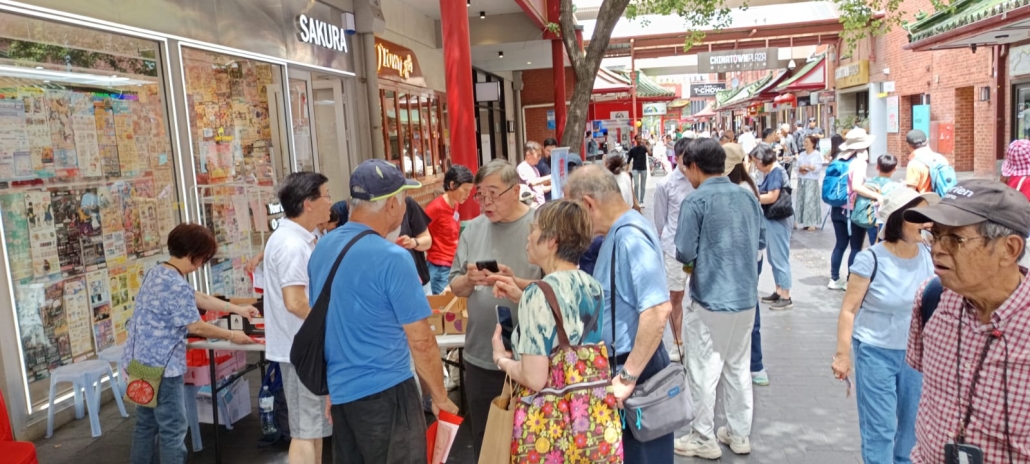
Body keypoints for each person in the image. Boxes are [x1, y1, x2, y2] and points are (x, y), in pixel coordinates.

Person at [309, 160, 457, 463]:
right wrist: (440, 397)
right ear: (391, 205)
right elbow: (421, 340)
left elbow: (321, 324)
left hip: (342, 394)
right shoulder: (393, 257)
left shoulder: (322, 248)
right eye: (403, 199)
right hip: (388, 392)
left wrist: (330, 388)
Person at [902, 179, 1030, 463]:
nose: (937, 249)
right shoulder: (932, 298)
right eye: (935, 235)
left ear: (1009, 249)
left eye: (954, 239)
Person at [565, 164, 674, 463]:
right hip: (626, 365)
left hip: (634, 369)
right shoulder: (619, 233)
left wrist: (627, 377)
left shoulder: (629, 238)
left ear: (588, 204)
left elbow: (658, 309)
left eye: (574, 211)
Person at [126, 224, 258, 464]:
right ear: (194, 254)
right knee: (173, 429)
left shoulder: (158, 272)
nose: (202, 264)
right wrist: (232, 335)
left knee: (145, 425)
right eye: (204, 257)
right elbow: (197, 327)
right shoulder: (176, 284)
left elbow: (198, 297)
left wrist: (236, 309)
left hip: (139, 361)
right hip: (164, 368)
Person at [831, 187, 938, 464]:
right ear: (897, 219)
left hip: (917, 357)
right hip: (875, 351)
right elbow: (848, 310)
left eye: (928, 216)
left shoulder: (930, 255)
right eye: (918, 216)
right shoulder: (871, 259)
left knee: (912, 429)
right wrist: (842, 356)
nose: (927, 223)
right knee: (880, 429)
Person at [673, 139, 765, 459]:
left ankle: (703, 436)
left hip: (710, 296)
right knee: (737, 368)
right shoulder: (747, 196)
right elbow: (760, 241)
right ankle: (739, 434)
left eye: (686, 168)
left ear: (694, 166)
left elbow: (685, 251)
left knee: (702, 370)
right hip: (745, 295)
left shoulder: (696, 200)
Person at [447, 159, 542, 458]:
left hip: (532, 358)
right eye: (480, 194)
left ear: (515, 191)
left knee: (532, 444)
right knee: (487, 444)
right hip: (481, 357)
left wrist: (515, 282)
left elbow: (554, 286)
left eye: (493, 193)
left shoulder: (539, 226)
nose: (486, 202)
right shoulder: (473, 229)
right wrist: (468, 280)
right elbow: (455, 286)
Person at [489, 199, 604, 395]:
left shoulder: (538, 294)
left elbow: (534, 378)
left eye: (533, 229)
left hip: (549, 408)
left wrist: (501, 359)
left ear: (552, 240)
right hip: (584, 404)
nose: (528, 237)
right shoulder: (593, 285)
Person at [263, 172, 335, 464]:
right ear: (308, 203)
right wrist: (331, 323)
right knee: (306, 431)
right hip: (301, 351)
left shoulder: (297, 239)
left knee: (313, 429)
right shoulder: (291, 245)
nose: (330, 202)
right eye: (326, 195)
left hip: (300, 348)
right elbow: (295, 302)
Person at [725, 144, 769, 386]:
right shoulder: (748, 186)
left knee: (749, 311)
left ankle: (755, 364)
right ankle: (753, 364)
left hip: (743, 260)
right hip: (751, 258)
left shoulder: (740, 190)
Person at [653, 137, 696, 362]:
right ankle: (678, 342)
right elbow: (660, 220)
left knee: (700, 296)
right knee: (676, 295)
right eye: (685, 157)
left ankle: (697, 342)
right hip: (674, 249)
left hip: (699, 249)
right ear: (677, 158)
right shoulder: (666, 184)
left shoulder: (701, 180)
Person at [828, 129, 883, 291]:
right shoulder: (858, 163)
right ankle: (850, 280)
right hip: (852, 210)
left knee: (840, 244)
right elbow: (857, 186)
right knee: (856, 247)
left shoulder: (839, 158)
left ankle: (834, 278)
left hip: (837, 208)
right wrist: (876, 196)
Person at [754, 145, 794, 310]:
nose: (755, 165)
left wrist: (753, 197)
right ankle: (778, 290)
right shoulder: (771, 172)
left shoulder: (776, 172)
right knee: (774, 257)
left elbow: (772, 196)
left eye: (756, 162)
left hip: (778, 219)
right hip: (772, 218)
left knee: (780, 258)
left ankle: (785, 295)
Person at [424, 165, 474, 295]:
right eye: (465, 190)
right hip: (440, 267)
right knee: (446, 304)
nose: (468, 195)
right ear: (452, 185)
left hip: (453, 263)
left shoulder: (455, 204)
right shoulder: (435, 208)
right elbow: (420, 230)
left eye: (470, 191)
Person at [389, 196, 433, 295]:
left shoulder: (408, 204)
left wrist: (413, 242)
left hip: (419, 280)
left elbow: (428, 241)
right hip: (394, 286)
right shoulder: (373, 214)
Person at [904, 129, 949, 194]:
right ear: (927, 141)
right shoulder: (941, 158)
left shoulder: (914, 164)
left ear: (908, 145)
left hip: (925, 199)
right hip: (943, 198)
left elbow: (910, 192)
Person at [795, 134, 824, 230]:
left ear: (813, 144)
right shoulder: (802, 154)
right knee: (801, 200)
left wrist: (808, 167)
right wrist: (800, 169)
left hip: (811, 180)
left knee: (810, 201)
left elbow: (818, 167)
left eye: (807, 142)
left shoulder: (817, 154)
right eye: (804, 142)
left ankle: (812, 222)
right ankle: (804, 222)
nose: (805, 144)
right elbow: (797, 166)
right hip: (802, 180)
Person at [516, 141, 551, 206]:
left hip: (540, 205)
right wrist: (552, 176)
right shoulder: (522, 167)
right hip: (530, 206)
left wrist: (554, 186)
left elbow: (541, 189)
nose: (540, 158)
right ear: (528, 155)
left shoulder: (535, 169)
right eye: (538, 155)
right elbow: (533, 182)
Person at [627, 135, 651, 205]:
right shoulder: (633, 149)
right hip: (635, 168)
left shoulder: (644, 148)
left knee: (643, 186)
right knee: (636, 185)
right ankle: (636, 200)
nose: (639, 140)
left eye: (640, 139)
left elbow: (650, 153)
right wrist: (626, 170)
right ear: (635, 140)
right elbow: (628, 160)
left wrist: (645, 145)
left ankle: (641, 200)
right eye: (638, 139)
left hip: (643, 168)